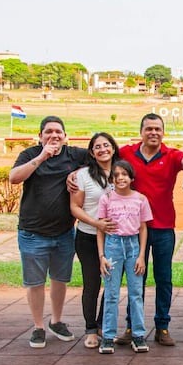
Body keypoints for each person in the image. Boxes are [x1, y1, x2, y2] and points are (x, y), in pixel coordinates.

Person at [117, 113, 183, 346]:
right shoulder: (126, 153)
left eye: (157, 129)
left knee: (164, 278)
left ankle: (162, 326)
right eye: (149, 129)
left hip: (163, 227)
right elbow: (100, 160)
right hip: (132, 229)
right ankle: (133, 325)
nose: (153, 133)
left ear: (163, 132)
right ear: (141, 131)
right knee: (135, 279)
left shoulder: (171, 155)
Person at [10, 115, 88, 349]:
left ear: (66, 136)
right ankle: (38, 326)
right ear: (40, 136)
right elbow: (14, 178)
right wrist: (42, 156)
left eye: (58, 132)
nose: (54, 136)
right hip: (33, 233)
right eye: (49, 132)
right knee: (35, 282)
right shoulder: (29, 154)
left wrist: (79, 172)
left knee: (60, 279)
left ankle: (56, 321)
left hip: (64, 232)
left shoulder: (74, 155)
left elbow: (103, 158)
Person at [97, 160, 153, 354]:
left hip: (133, 245)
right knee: (111, 293)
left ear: (131, 178)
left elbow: (144, 228)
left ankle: (138, 335)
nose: (121, 178)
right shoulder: (106, 199)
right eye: (117, 174)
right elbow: (100, 230)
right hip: (112, 245)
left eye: (125, 174)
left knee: (136, 293)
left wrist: (141, 256)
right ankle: (108, 336)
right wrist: (102, 256)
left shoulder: (140, 199)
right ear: (112, 178)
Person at [70, 132, 119, 349]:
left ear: (113, 148)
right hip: (88, 236)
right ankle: (90, 329)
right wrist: (96, 223)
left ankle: (102, 325)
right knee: (92, 285)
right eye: (97, 147)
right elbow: (75, 207)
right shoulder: (83, 175)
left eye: (106, 145)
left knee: (111, 286)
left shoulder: (122, 171)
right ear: (91, 152)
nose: (103, 149)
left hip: (115, 240)